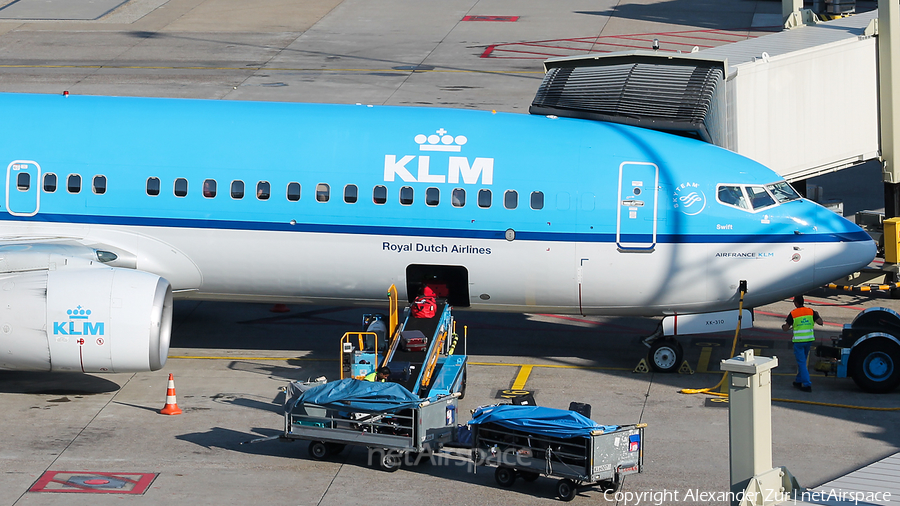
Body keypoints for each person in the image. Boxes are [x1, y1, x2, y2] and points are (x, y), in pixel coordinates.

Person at [781, 295, 823, 392]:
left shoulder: (793, 313)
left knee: (802, 363)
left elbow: (786, 328)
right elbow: (820, 322)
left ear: (796, 303)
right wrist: (817, 315)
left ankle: (807, 384)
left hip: (799, 342)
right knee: (803, 361)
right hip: (808, 340)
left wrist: (783, 326)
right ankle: (798, 381)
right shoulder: (811, 311)